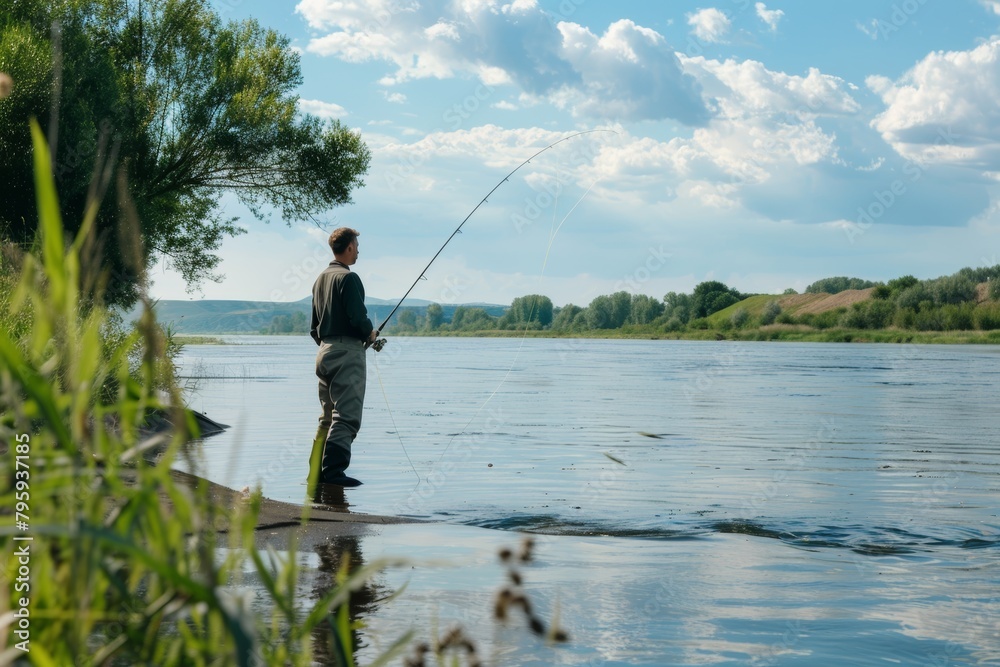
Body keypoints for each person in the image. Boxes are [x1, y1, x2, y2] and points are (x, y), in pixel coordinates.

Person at [310, 227, 379, 487]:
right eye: (357, 246)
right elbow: (358, 318)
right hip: (346, 352)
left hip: (323, 351)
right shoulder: (349, 278)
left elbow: (313, 326)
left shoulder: (320, 279)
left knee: (327, 416)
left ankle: (315, 474)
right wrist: (370, 334)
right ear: (349, 247)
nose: (359, 250)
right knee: (346, 416)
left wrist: (327, 344)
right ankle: (334, 473)